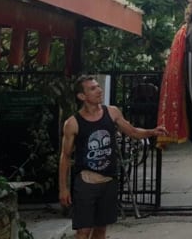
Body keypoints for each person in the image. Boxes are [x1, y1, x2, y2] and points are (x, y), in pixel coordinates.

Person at [59, 75, 167, 239]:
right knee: (83, 232)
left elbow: (132, 132)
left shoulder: (112, 112)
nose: (99, 90)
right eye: (93, 88)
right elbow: (65, 156)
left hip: (109, 181)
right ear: (82, 96)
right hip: (86, 183)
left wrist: (152, 131)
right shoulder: (72, 123)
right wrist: (63, 188)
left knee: (101, 230)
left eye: (98, 86)